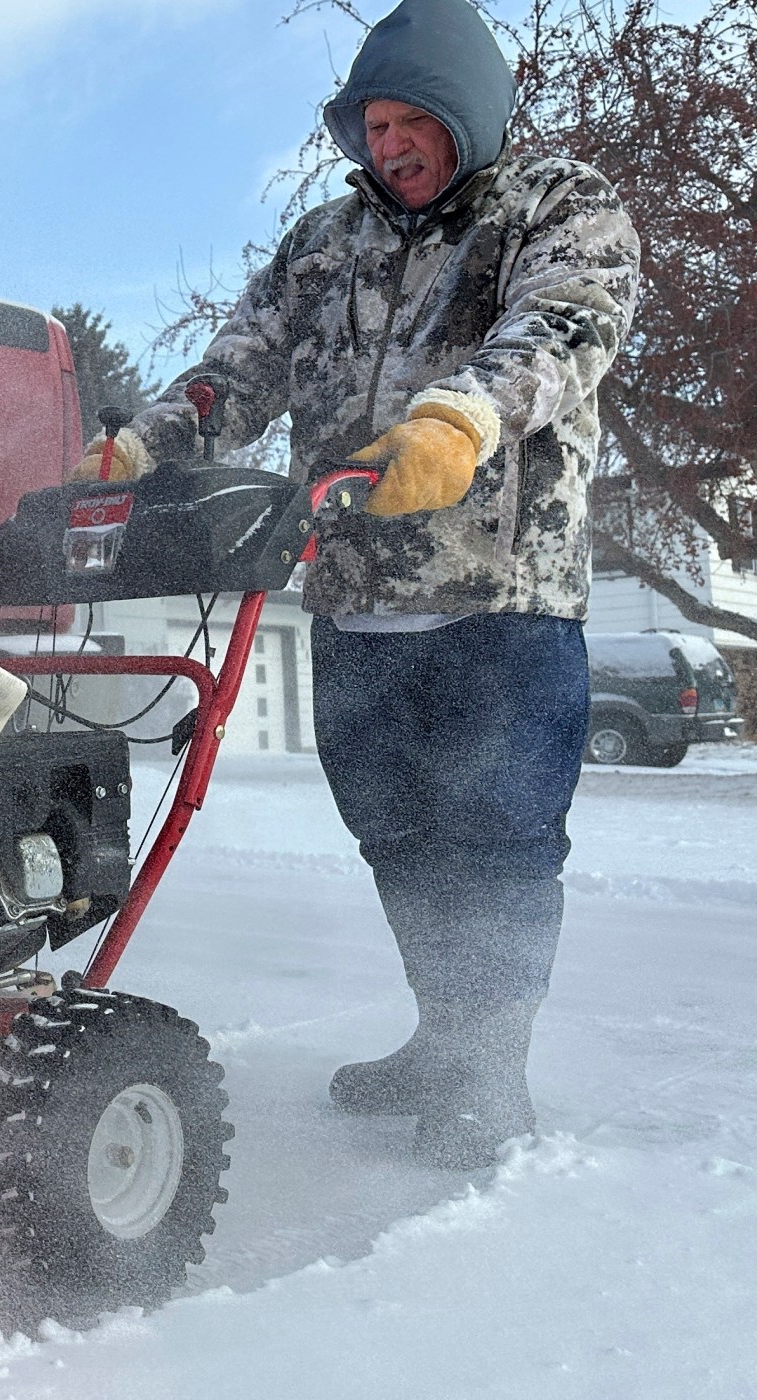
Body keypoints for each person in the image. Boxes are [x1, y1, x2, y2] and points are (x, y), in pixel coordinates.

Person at [76, 0, 641, 1168]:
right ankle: (443, 1035)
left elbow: (564, 327)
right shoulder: (322, 243)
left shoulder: (555, 205)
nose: (388, 146)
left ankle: (490, 1067)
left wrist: (457, 418)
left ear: (464, 112)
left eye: (410, 121)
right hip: (351, 597)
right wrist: (142, 445)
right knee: (396, 832)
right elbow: (235, 370)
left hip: (500, 598)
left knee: (495, 840)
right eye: (371, 125)